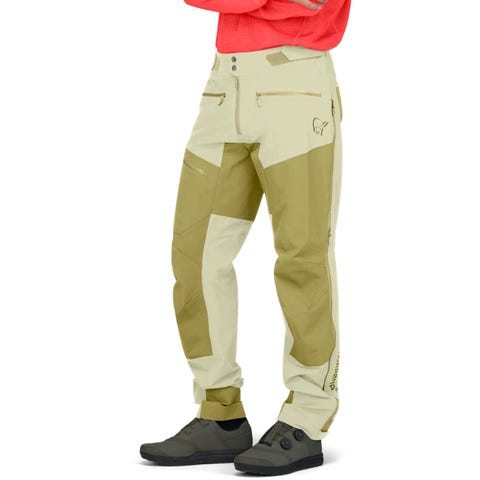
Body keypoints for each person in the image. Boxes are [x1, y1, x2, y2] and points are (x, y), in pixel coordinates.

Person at [140, 0, 351, 475]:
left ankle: (308, 416)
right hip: (223, 85)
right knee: (195, 255)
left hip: (296, 84)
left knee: (303, 256)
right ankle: (221, 412)